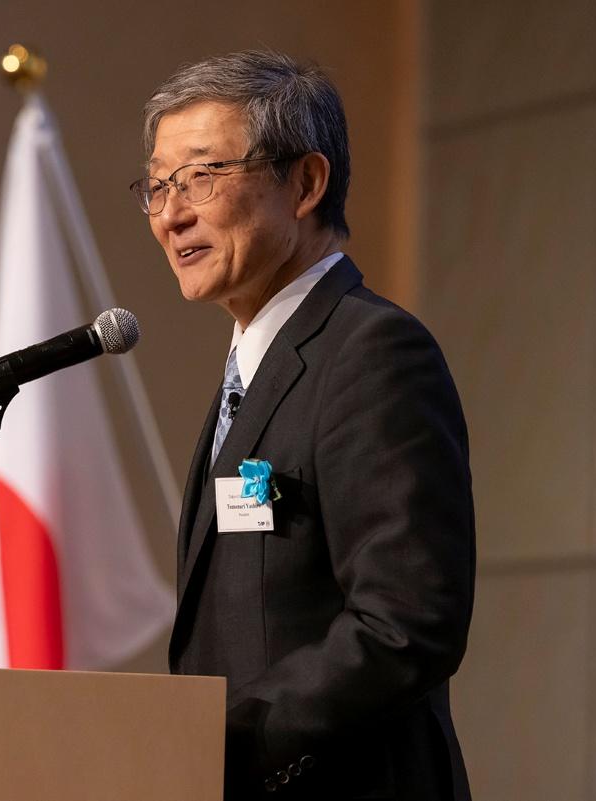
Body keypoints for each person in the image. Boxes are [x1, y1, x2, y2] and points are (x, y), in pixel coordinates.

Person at [132, 51, 475, 800]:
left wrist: (218, 739)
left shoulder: (373, 352)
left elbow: (406, 623)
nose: (172, 214)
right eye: (158, 185)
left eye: (202, 176)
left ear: (306, 184)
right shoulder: (255, 366)